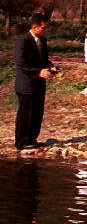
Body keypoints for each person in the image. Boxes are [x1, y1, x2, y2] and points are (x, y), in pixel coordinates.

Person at [14, 13, 56, 150]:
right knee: (26, 113)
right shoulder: (23, 41)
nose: (45, 30)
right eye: (43, 28)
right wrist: (38, 72)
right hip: (26, 83)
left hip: (39, 83)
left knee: (37, 111)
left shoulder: (42, 41)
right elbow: (22, 64)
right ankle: (21, 141)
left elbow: (44, 59)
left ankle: (32, 138)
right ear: (34, 26)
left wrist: (51, 68)